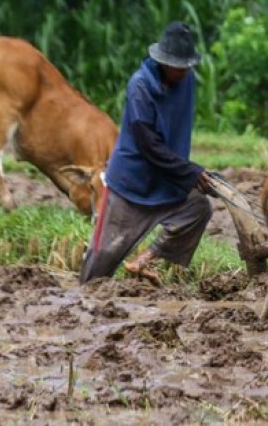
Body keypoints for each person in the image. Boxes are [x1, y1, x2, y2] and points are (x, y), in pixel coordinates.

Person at [79, 21, 215, 285]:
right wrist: (189, 171)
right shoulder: (140, 87)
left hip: (166, 180)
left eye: (187, 67)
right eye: (178, 67)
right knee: (99, 265)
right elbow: (148, 145)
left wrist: (189, 173)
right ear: (163, 62)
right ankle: (78, 303)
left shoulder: (186, 82)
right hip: (131, 185)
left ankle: (145, 259)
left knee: (198, 208)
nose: (183, 72)